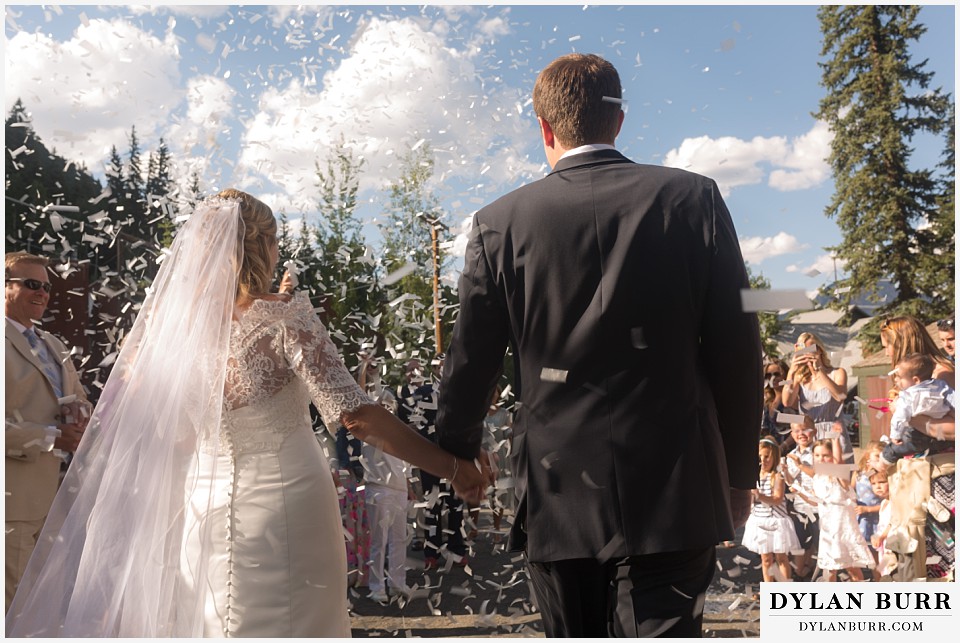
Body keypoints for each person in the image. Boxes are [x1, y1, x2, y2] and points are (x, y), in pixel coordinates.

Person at [5, 190, 484, 637]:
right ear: (263, 247)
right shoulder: (285, 315)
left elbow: (170, 437)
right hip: (286, 501)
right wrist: (453, 467)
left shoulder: (173, 338)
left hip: (202, 504)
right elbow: (354, 415)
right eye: (275, 241)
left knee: (214, 622)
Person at [434, 53, 761, 637]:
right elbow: (739, 350)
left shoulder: (498, 223)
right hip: (677, 485)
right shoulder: (695, 200)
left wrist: (459, 450)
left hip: (559, 492)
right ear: (618, 121)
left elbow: (469, 362)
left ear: (544, 127)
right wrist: (739, 475)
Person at [4, 251, 91, 611]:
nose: (42, 293)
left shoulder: (53, 345)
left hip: (57, 500)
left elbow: (79, 397)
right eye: (31, 284)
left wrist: (80, 415)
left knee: (40, 608)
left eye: (47, 286)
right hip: (13, 503)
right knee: (11, 610)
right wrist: (52, 436)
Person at [789, 437, 875, 582]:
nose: (821, 459)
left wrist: (836, 440)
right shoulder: (817, 478)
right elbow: (816, 502)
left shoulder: (839, 476)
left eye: (825, 455)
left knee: (852, 568)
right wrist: (799, 492)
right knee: (829, 570)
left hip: (843, 529)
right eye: (817, 455)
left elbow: (838, 462)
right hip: (828, 530)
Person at [362, 389, 413, 603]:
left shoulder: (399, 430)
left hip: (399, 489)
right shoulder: (367, 429)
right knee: (379, 540)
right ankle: (376, 587)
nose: (386, 407)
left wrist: (410, 487)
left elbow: (406, 460)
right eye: (382, 403)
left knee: (399, 539)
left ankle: (397, 583)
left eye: (389, 404)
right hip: (378, 488)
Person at [880, 315, 956, 441]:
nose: (887, 353)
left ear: (902, 345)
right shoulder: (909, 378)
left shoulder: (942, 375)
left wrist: (907, 415)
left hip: (940, 459)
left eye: (887, 347)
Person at [782, 331, 853, 462]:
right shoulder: (799, 377)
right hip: (809, 435)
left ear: (819, 350)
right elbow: (786, 401)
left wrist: (819, 370)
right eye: (803, 351)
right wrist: (791, 372)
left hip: (833, 433)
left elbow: (840, 396)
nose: (807, 354)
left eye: (811, 349)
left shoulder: (837, 373)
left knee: (839, 478)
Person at [741, 438, 799, 584]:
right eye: (760, 457)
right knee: (766, 559)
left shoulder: (777, 476)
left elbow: (778, 499)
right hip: (760, 520)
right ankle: (769, 589)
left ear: (774, 457)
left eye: (766, 456)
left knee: (781, 557)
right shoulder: (754, 476)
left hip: (776, 521)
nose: (763, 460)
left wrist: (759, 495)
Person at [880, 353, 955, 466]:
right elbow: (953, 398)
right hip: (941, 434)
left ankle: (883, 461)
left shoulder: (907, 396)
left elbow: (899, 417)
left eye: (899, 377)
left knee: (893, 449)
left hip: (916, 433)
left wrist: (895, 435)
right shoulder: (940, 385)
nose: (896, 380)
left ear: (915, 380)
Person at [781, 422, 819, 579]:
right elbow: (791, 481)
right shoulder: (792, 454)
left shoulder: (818, 451)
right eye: (796, 431)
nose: (801, 433)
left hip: (818, 506)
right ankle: (801, 572)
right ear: (792, 434)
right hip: (800, 506)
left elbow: (819, 474)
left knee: (819, 542)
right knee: (801, 542)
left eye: (805, 429)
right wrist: (785, 472)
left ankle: (821, 575)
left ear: (814, 431)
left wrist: (800, 465)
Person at [852, 441, 884, 553]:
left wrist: (868, 509)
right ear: (867, 456)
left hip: (877, 517)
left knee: (877, 548)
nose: (880, 459)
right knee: (864, 547)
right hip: (862, 517)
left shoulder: (881, 475)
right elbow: (851, 490)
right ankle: (871, 569)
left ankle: (878, 570)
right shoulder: (858, 472)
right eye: (877, 456)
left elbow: (887, 504)